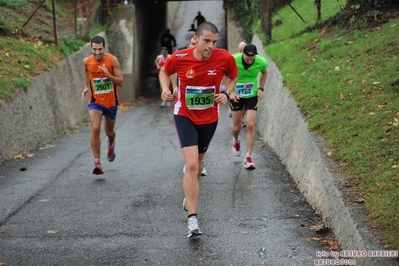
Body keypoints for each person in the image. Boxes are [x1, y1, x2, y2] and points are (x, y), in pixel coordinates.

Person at [159, 22, 238, 238]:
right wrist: (166, 89)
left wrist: (226, 92)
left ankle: (189, 192)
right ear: (196, 39)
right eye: (206, 41)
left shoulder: (224, 58)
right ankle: (192, 219)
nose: (211, 45)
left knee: (199, 161)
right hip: (184, 114)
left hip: (209, 118)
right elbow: (164, 72)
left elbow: (233, 77)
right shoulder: (181, 57)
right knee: (192, 164)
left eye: (214, 41)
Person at [81, 36, 124, 175]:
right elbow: (87, 71)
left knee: (109, 133)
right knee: (95, 128)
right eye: (94, 49)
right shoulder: (87, 61)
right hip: (95, 101)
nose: (97, 52)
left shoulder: (112, 60)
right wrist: (86, 86)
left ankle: (111, 144)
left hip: (111, 102)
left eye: (100, 49)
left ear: (104, 48)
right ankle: (97, 162)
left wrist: (109, 75)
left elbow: (121, 82)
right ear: (91, 48)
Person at [230, 44, 268, 170]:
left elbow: (264, 72)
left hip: (251, 94)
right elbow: (225, 74)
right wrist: (231, 91)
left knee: (250, 124)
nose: (250, 61)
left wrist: (261, 88)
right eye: (247, 59)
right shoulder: (234, 59)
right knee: (237, 127)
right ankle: (236, 141)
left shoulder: (261, 61)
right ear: (243, 54)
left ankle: (248, 157)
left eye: (252, 59)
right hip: (237, 95)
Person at [176, 31, 207, 177]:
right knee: (187, 136)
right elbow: (168, 71)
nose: (196, 47)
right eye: (194, 44)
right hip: (185, 103)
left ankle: (200, 163)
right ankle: (189, 162)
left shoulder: (205, 55)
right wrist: (173, 87)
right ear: (188, 44)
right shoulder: (180, 54)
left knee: (201, 139)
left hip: (202, 102)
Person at [228, 41, 247, 119]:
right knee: (237, 100)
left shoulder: (251, 57)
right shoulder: (234, 57)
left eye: (243, 50)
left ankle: (241, 118)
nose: (241, 52)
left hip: (247, 83)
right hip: (237, 84)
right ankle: (233, 109)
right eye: (240, 50)